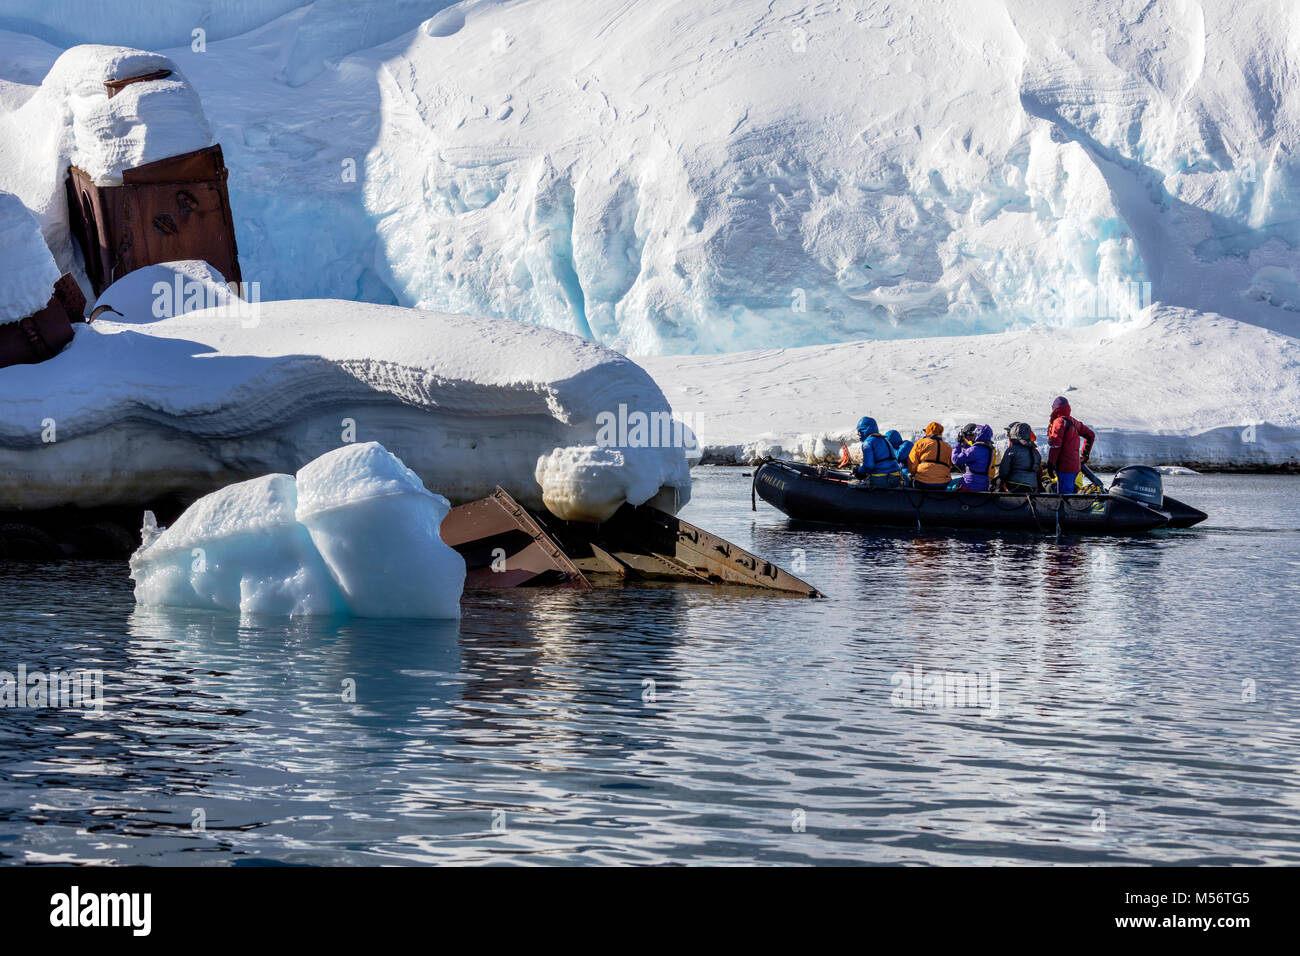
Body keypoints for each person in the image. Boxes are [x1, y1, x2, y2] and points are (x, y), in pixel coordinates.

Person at [1046, 396, 1095, 495]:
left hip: (1065, 467)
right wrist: (1085, 455)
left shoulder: (1059, 422)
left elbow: (1055, 445)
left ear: (1055, 409)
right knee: (1069, 493)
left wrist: (1051, 464)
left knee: (1064, 497)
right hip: (1075, 467)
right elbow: (1090, 435)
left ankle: (1063, 510)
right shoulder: (1074, 421)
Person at [852, 416, 902, 487]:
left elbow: (869, 466)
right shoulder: (885, 440)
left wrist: (858, 471)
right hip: (895, 477)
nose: (858, 434)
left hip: (880, 478)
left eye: (859, 431)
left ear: (864, 430)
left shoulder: (868, 442)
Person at [997, 422, 1042, 492]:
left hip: (1014, 484)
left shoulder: (1012, 450)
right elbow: (1038, 470)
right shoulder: (1034, 451)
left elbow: (1004, 470)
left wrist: (1001, 480)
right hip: (1032, 486)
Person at [951, 423, 997, 491]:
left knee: (950, 486)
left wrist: (958, 444)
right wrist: (966, 445)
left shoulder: (976, 449)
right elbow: (974, 454)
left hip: (971, 484)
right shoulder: (987, 447)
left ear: (975, 434)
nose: (968, 438)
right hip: (983, 484)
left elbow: (955, 460)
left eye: (968, 435)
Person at [907, 421, 953, 489]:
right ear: (940, 433)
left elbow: (912, 463)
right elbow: (949, 465)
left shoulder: (920, 443)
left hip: (922, 481)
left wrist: (914, 474)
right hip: (943, 483)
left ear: (927, 431)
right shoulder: (948, 447)